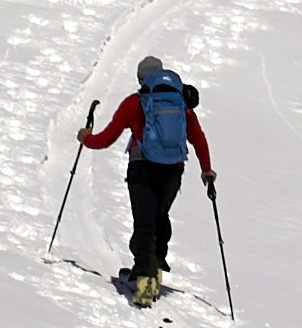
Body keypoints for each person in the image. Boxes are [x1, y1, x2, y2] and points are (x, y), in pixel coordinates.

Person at [80, 58, 220, 305]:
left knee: (144, 224)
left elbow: (106, 139)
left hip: (142, 168)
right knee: (159, 218)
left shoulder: (136, 103)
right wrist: (206, 170)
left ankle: (144, 285)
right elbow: (198, 139)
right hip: (173, 172)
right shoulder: (181, 105)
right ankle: (154, 273)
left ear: (141, 79)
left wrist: (86, 138)